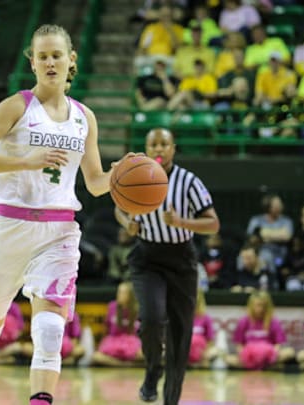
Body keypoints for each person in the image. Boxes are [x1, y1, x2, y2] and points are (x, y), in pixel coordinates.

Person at [0, 24, 133, 405]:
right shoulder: (15, 107)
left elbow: (95, 182)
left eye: (57, 55)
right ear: (32, 63)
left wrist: (122, 173)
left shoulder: (85, 118)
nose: (50, 62)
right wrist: (25, 161)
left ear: (71, 61)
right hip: (9, 226)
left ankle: (41, 399)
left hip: (59, 229)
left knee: (50, 325)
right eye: (43, 56)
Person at [114, 128, 219, 404]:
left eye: (164, 144)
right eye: (153, 144)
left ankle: (171, 398)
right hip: (147, 258)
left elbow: (213, 223)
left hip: (181, 260)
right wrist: (128, 224)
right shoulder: (134, 175)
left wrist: (183, 223)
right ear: (146, 149)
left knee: (180, 334)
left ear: (173, 148)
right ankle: (152, 370)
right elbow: (119, 208)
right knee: (151, 318)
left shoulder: (189, 182)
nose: (159, 149)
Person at [226, 291, 294, 369]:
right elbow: (239, 344)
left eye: (263, 305)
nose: (260, 308)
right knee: (229, 359)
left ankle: (266, 365)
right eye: (258, 305)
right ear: (251, 306)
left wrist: (271, 354)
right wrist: (245, 355)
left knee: (289, 352)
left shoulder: (274, 321)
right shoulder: (243, 321)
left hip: (268, 356)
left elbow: (278, 344)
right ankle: (258, 366)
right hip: (249, 357)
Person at [91, 281, 142, 366]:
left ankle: (123, 363)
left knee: (144, 354)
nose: (119, 294)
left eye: (123, 292)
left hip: (133, 344)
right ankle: (124, 364)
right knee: (96, 357)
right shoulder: (112, 307)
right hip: (113, 342)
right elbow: (106, 328)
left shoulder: (137, 309)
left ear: (130, 295)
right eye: (119, 292)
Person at [246, 193, 293, 268]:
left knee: (269, 258)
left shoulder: (286, 221)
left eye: (280, 204)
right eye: (277, 204)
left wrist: (264, 234)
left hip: (280, 257)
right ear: (268, 207)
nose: (280, 206)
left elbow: (286, 236)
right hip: (260, 253)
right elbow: (252, 238)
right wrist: (278, 233)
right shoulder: (256, 220)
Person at [188, 290, 217, 369]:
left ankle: (197, 363)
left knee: (214, 352)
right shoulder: (184, 317)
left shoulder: (206, 318)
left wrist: (203, 351)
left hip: (201, 351)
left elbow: (210, 340)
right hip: (185, 350)